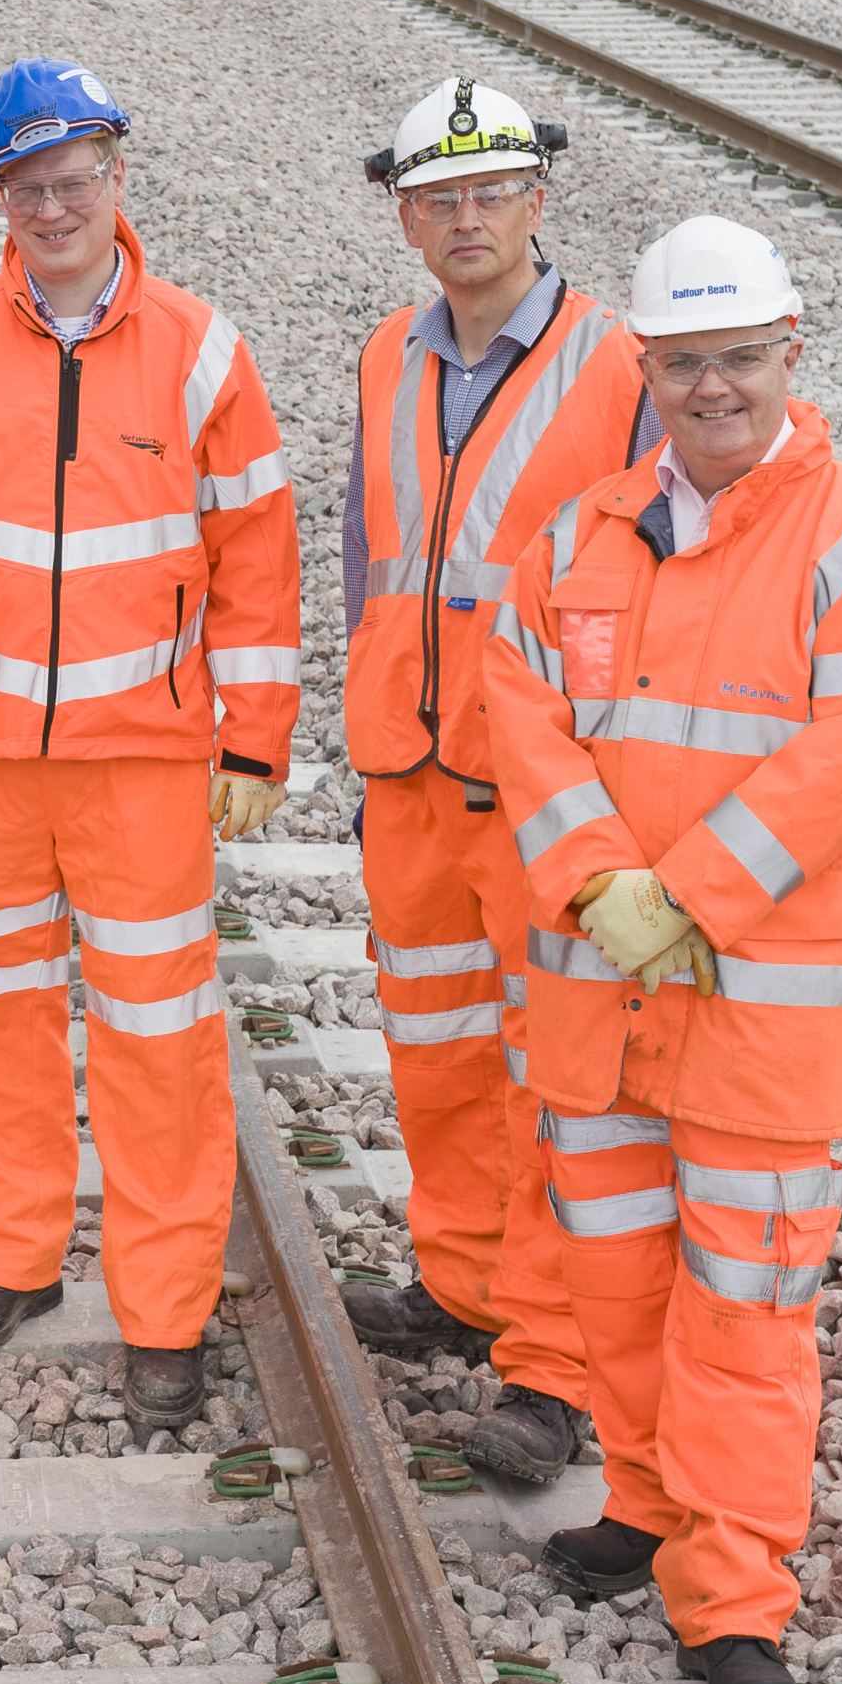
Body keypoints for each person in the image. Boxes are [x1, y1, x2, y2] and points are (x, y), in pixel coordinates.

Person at [483, 215, 842, 1684]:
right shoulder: (574, 540)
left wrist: (680, 894)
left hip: (756, 1027)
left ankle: (732, 1598)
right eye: (682, 363)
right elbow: (522, 712)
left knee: (744, 1316)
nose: (710, 389)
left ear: (788, 353)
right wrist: (601, 885)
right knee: (614, 1281)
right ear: (644, 368)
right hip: (602, 1012)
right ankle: (642, 1506)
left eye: (737, 357)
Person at [0, 58, 301, 1432]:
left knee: (155, 1038)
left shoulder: (201, 351)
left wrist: (251, 744)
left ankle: (162, 1309)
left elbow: (254, 560)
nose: (52, 205)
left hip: (140, 761)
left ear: (116, 179)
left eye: (73, 177)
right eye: (25, 186)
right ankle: (5, 1255)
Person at [341, 77, 656, 1487]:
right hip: (409, 772)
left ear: (537, 200)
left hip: (541, 791)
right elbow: (375, 556)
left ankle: (549, 1361)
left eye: (489, 192)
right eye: (435, 197)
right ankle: (459, 1284)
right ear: (405, 217)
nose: (463, 218)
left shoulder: (621, 366)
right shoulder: (385, 357)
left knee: (558, 1082)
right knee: (440, 1052)